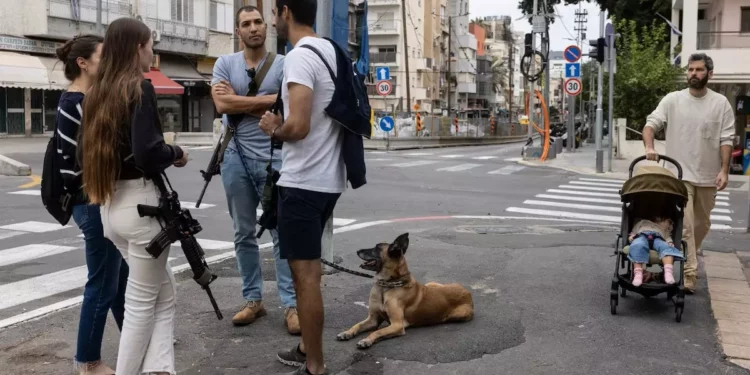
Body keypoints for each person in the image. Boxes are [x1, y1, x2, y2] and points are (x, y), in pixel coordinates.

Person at [79, 17, 188, 375]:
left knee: (164, 296)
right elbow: (148, 153)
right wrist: (176, 153)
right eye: (150, 45)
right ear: (137, 48)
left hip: (111, 208)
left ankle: (160, 370)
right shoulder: (139, 88)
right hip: (143, 210)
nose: (153, 53)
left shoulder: (97, 92)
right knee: (142, 304)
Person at [261, 0, 342, 373]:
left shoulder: (297, 57)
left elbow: (299, 126)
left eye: (275, 14)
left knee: (305, 277)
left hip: (303, 182)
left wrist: (273, 127)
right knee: (311, 272)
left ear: (286, 12)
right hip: (328, 180)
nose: (272, 21)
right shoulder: (329, 50)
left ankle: (315, 365)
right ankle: (307, 347)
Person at [210, 5, 299, 333]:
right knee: (242, 232)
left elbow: (290, 103)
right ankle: (253, 300)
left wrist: (242, 101)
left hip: (276, 158)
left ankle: (291, 305)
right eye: (246, 23)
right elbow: (221, 105)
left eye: (258, 22)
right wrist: (267, 100)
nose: (253, 28)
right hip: (234, 157)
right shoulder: (224, 63)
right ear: (238, 31)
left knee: (280, 232)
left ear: (267, 26)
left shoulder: (284, 63)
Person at [55, 34, 129, 375]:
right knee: (102, 283)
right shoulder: (73, 104)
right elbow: (68, 166)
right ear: (83, 63)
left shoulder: (91, 98)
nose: (108, 62)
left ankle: (134, 337)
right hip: (91, 201)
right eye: (103, 56)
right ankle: (88, 361)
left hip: (101, 199)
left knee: (119, 278)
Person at [643, 53, 735, 294]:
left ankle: (680, 256)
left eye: (699, 70)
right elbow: (651, 123)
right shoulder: (673, 100)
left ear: (709, 74)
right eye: (691, 70)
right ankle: (689, 274)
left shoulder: (720, 103)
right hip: (678, 176)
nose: (693, 74)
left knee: (701, 225)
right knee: (686, 225)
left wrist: (724, 171)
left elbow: (726, 139)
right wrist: (650, 147)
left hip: (708, 176)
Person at [627, 216, 684, 286]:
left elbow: (667, 238)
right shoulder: (643, 222)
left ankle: (668, 272)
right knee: (638, 245)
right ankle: (638, 274)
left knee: (666, 247)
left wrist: (670, 242)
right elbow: (634, 231)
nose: (669, 227)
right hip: (642, 235)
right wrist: (632, 236)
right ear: (659, 219)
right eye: (669, 223)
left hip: (658, 238)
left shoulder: (664, 231)